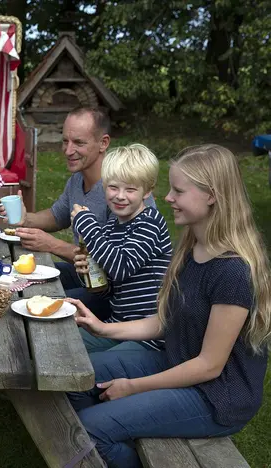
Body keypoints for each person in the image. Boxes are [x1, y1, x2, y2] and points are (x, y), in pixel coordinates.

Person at [67, 144, 271, 468]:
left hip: (214, 395)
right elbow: (165, 320)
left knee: (91, 430)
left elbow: (209, 366)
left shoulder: (233, 271)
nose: (167, 198)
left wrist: (133, 387)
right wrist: (104, 328)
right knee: (72, 377)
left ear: (211, 196)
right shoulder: (193, 245)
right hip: (175, 361)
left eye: (178, 190)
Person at [0, 107, 155, 319]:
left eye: (79, 143)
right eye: (65, 141)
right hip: (86, 275)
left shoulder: (124, 194)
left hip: (117, 295)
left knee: (36, 301)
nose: (67, 150)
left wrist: (52, 245)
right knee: (18, 281)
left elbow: (115, 266)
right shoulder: (77, 180)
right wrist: (25, 218)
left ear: (103, 143)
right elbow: (57, 216)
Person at [70, 144, 172, 352]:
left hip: (149, 338)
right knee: (65, 343)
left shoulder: (150, 222)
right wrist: (88, 274)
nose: (120, 196)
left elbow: (120, 267)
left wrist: (87, 225)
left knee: (78, 356)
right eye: (113, 187)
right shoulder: (112, 226)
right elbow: (109, 288)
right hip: (118, 325)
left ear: (148, 191)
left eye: (130, 189)